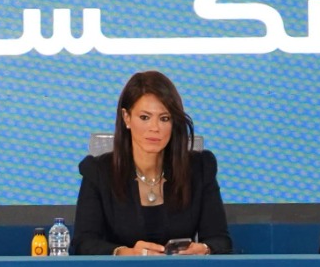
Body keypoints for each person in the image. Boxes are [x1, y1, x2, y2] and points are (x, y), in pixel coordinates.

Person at [73, 70, 233, 256]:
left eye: (164, 118)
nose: (155, 128)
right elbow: (83, 244)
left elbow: (221, 241)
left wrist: (203, 249)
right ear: (126, 118)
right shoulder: (98, 172)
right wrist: (125, 253)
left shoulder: (199, 168)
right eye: (145, 117)